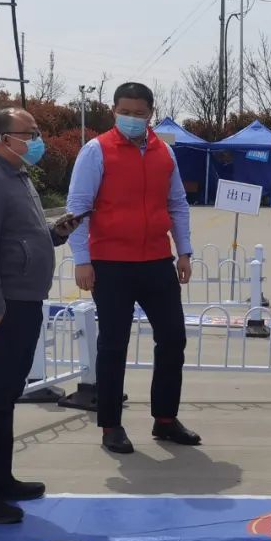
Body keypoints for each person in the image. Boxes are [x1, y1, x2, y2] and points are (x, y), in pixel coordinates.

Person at [0, 108, 83, 524]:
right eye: (30, 133)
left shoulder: (15, 175)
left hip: (23, 301)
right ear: (3, 139)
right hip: (2, 306)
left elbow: (19, 237)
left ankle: (0, 480)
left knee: (4, 399)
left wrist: (55, 234)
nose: (37, 140)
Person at [66, 82, 198, 455]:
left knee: (173, 338)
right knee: (113, 344)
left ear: (151, 114)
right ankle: (111, 425)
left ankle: (165, 419)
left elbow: (177, 204)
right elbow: (78, 207)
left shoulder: (164, 153)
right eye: (125, 112)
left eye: (139, 113)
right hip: (110, 264)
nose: (132, 119)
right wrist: (82, 259)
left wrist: (184, 251)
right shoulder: (96, 151)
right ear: (114, 111)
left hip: (156, 261)